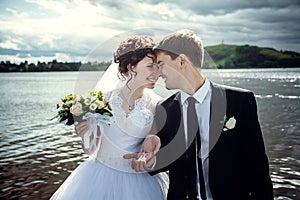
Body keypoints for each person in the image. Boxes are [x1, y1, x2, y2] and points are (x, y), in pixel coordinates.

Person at [125, 30, 274, 200]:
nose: (157, 72)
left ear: (181, 61)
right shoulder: (164, 109)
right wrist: (150, 162)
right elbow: (169, 158)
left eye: (161, 63)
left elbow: (257, 168)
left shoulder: (239, 102)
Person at [50, 36, 169, 200]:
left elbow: (153, 143)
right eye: (150, 66)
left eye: (158, 66)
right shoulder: (101, 101)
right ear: (131, 67)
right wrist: (84, 133)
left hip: (139, 179)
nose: (157, 73)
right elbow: (90, 150)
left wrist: (148, 156)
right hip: (98, 176)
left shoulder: (157, 104)